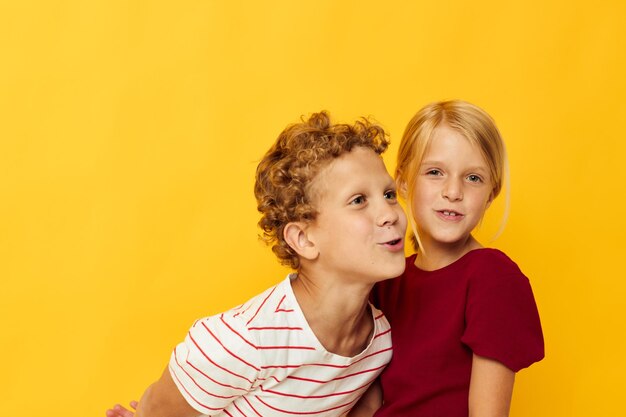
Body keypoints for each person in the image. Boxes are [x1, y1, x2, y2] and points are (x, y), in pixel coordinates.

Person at [105, 111, 407, 417]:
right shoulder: (242, 341)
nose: (390, 214)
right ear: (303, 239)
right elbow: (156, 411)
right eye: (358, 200)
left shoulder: (379, 343)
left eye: (389, 194)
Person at [352, 100, 544, 417]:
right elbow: (367, 400)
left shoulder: (492, 278)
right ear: (402, 182)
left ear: (491, 194)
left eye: (473, 178)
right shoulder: (386, 280)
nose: (453, 191)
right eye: (435, 172)